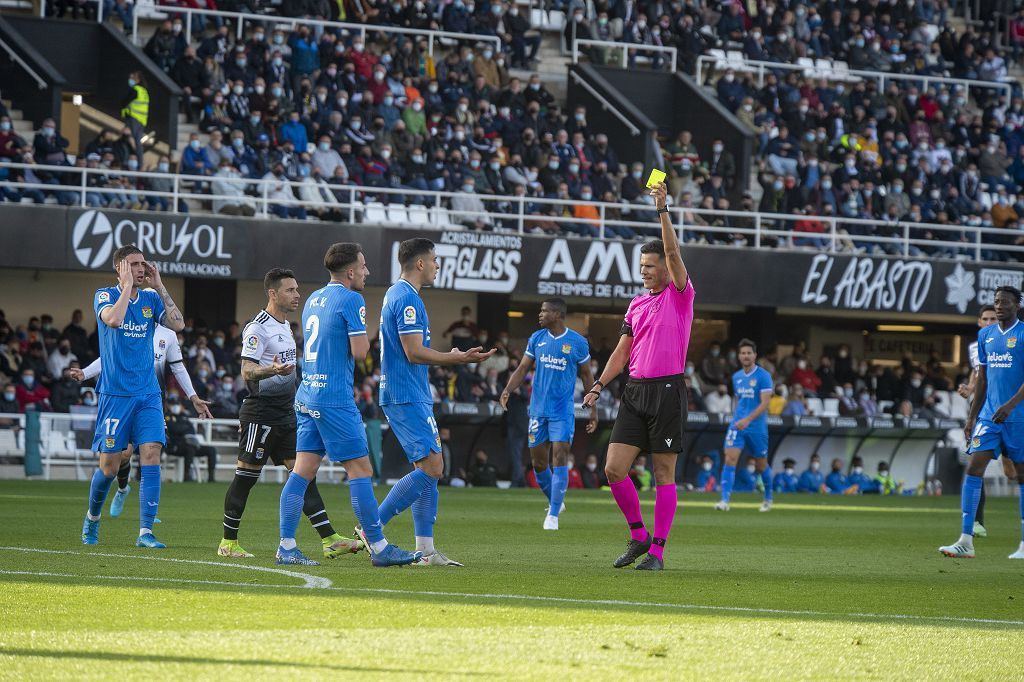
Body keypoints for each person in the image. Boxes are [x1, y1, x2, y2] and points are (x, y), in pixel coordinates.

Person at [275, 249, 419, 567]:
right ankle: (379, 547)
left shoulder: (313, 298)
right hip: (334, 399)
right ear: (350, 272)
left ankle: (286, 546)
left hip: (307, 394)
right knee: (361, 470)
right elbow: (359, 352)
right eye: (364, 266)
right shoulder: (353, 300)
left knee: (302, 472)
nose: (367, 271)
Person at [364, 238, 495, 567]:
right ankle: (372, 528)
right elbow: (413, 351)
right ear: (420, 264)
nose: (437, 265)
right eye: (435, 260)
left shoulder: (402, 295)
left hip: (411, 392)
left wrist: (450, 356)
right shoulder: (407, 298)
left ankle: (425, 551)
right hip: (405, 394)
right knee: (434, 467)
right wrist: (457, 359)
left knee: (428, 469)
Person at [583, 181, 693, 571]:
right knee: (613, 469)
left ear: (666, 267)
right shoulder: (636, 303)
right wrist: (598, 385)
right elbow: (623, 350)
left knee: (664, 473)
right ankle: (638, 535)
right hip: (634, 391)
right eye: (641, 267)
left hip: (666, 391)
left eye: (650, 266)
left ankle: (658, 552)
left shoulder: (679, 294)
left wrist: (662, 209)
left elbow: (674, 250)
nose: (644, 272)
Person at [220, 268, 361, 563]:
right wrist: (272, 369)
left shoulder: (286, 326)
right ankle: (228, 542)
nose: (297, 295)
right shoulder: (258, 327)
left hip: (287, 413)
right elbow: (247, 371)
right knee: (246, 477)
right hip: (260, 414)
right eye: (290, 290)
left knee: (304, 475)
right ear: (273, 293)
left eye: (297, 289)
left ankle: (329, 539)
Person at [80, 246, 184, 548]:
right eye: (135, 265)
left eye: (144, 264)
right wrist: (126, 287)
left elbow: (178, 325)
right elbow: (112, 320)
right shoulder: (105, 295)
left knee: (151, 453)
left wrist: (160, 286)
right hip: (115, 395)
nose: (142, 269)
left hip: (148, 393)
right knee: (109, 468)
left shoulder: (152, 298)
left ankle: (145, 532)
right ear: (120, 269)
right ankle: (92, 518)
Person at [74, 323, 212, 518]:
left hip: (152, 401)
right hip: (124, 400)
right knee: (124, 454)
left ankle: (148, 514)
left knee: (152, 453)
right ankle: (123, 489)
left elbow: (178, 368)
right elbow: (109, 357)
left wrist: (193, 396)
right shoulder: (128, 328)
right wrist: (86, 373)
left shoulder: (168, 335)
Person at [941, 286, 1024, 560]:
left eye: (1005, 302)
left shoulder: (1023, 334)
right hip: (989, 417)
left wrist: (1010, 406)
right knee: (974, 467)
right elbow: (984, 381)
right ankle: (966, 540)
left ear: (1017, 306)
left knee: (1020, 477)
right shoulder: (985, 335)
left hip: (1018, 417)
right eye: (997, 302)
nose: (999, 306)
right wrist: (972, 417)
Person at [500, 298, 597, 530]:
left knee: (560, 456)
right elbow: (523, 368)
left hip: (562, 411)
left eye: (545, 311)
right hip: (537, 410)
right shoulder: (536, 339)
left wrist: (593, 409)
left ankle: (552, 515)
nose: (540, 315)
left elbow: (586, 376)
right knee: (539, 463)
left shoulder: (577, 342)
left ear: (558, 314)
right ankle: (556, 500)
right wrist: (507, 390)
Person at [956, 304, 1014, 537]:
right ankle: (976, 523)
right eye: (986, 319)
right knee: (976, 465)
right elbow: (978, 372)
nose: (989, 322)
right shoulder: (977, 345)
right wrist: (970, 389)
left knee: (1011, 472)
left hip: (1008, 414)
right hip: (983, 413)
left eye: (993, 318)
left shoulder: (1013, 339)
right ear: (979, 322)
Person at [715, 339, 774, 512]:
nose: (746, 356)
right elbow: (740, 401)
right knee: (730, 458)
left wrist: (747, 420)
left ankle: (768, 498)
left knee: (761, 464)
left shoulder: (763, 376)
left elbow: (765, 404)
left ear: (755, 355)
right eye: (743, 353)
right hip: (737, 425)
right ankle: (724, 501)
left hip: (756, 427)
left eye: (749, 353)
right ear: (739, 356)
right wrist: (738, 419)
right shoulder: (736, 377)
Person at [120, 71, 150, 160]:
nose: (130, 79)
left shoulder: (135, 89)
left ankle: (127, 160)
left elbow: (124, 102)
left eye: (132, 78)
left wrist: (125, 113)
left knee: (128, 139)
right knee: (138, 143)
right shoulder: (144, 91)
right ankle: (139, 163)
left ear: (138, 79)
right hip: (142, 120)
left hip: (133, 118)